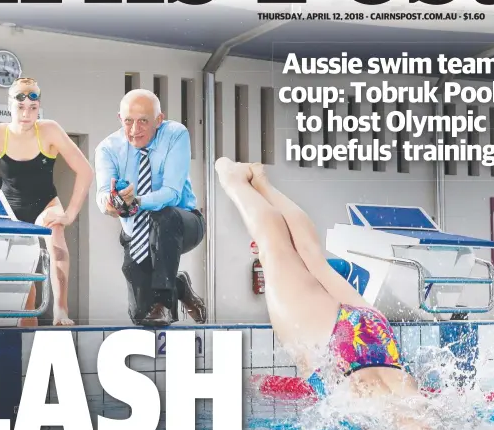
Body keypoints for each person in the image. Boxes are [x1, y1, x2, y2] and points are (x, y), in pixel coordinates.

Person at [215, 159, 421, 398]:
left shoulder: (418, 409)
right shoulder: (398, 418)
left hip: (378, 340)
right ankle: (233, 178)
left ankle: (261, 181)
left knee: (312, 256)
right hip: (338, 353)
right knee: (274, 247)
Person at [0, 77, 94, 326]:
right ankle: (29, 331)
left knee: (55, 229)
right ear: (10, 105)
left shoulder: (49, 130)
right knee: (26, 291)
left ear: (39, 108)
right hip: (11, 211)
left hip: (45, 203)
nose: (27, 114)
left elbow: (86, 170)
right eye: (21, 108)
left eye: (33, 109)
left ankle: (60, 309)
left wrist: (69, 214)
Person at [95, 89, 207, 326]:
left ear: (159, 119)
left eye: (143, 121)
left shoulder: (176, 134)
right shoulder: (107, 149)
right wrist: (113, 203)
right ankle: (179, 285)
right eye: (128, 121)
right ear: (119, 119)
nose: (135, 130)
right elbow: (103, 194)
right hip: (135, 231)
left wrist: (136, 201)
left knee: (162, 216)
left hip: (183, 222)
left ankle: (166, 302)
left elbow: (172, 192)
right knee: (140, 315)